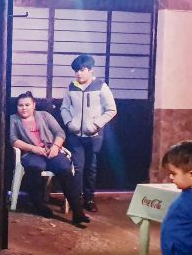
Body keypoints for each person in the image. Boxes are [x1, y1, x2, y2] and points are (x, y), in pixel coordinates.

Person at [9, 91, 90, 227]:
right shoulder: (13, 119)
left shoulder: (45, 115)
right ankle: (39, 205)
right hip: (31, 153)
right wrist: (34, 148)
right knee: (35, 167)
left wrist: (55, 147)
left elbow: (60, 133)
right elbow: (13, 140)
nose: (24, 108)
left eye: (27, 104)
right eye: (20, 105)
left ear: (34, 105)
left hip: (51, 150)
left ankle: (78, 212)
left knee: (64, 168)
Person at [60, 54, 117, 213]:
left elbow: (111, 110)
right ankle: (76, 200)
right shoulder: (71, 86)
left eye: (82, 70)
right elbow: (64, 108)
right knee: (77, 167)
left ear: (91, 70)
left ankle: (89, 199)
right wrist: (69, 123)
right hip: (75, 135)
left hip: (94, 136)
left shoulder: (101, 86)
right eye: (76, 70)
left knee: (91, 167)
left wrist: (96, 125)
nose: (79, 73)